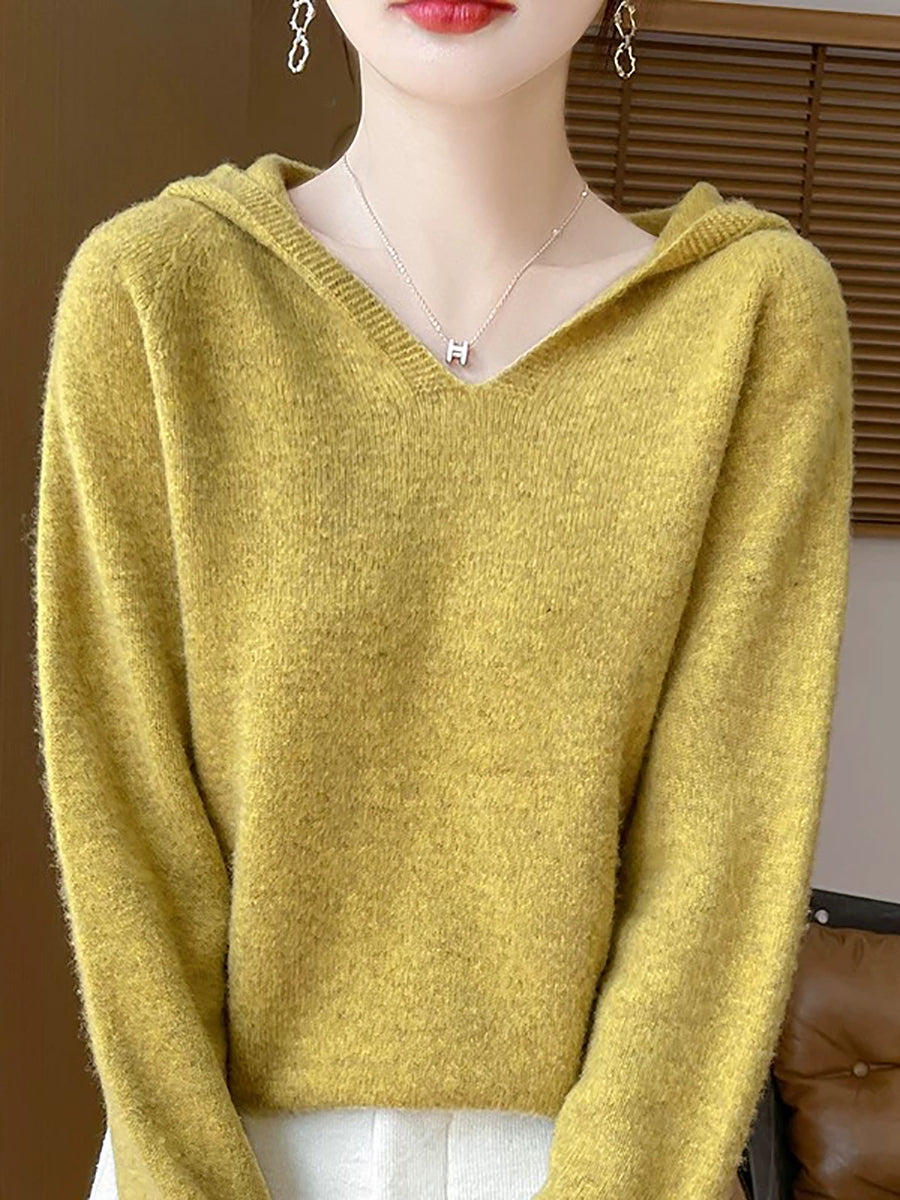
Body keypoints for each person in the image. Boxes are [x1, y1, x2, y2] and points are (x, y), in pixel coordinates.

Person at [30, 0, 854, 1198]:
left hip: (622, 1165)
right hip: (218, 1161)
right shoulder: (155, 295)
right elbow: (124, 825)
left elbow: (725, 847)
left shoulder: (750, 320)